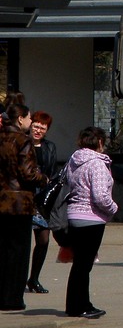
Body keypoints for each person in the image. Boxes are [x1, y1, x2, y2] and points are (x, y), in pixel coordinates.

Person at [63, 126, 119, 319]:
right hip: (91, 219)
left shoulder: (73, 161)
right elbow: (101, 197)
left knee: (79, 264)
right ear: (100, 142)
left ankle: (74, 305)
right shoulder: (97, 164)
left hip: (73, 216)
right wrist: (113, 209)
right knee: (84, 265)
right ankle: (82, 305)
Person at [0, 103, 47, 311]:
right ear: (20, 119)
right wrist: (44, 178)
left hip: (1, 201)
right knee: (18, 252)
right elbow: (28, 173)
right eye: (28, 119)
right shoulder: (23, 140)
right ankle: (12, 299)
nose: (30, 122)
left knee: (3, 249)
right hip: (19, 203)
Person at [26, 111, 58, 295]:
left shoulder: (50, 147)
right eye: (36, 126)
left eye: (42, 128)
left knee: (43, 239)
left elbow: (53, 171)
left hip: (42, 197)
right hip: (25, 195)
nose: (38, 130)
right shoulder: (22, 143)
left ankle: (34, 278)